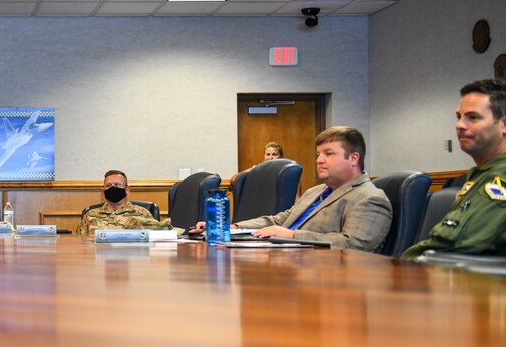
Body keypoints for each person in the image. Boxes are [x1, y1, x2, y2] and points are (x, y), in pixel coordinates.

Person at [194, 126, 392, 252]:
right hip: (283, 259)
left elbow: (354, 246)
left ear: (354, 158)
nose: (319, 160)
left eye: (328, 154)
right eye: (318, 154)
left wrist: (291, 235)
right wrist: (233, 227)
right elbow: (279, 220)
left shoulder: (369, 198)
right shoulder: (315, 191)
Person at [403, 79, 506, 259]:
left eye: (472, 117)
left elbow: (457, 248)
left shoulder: (500, 179)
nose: (459, 125)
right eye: (459, 116)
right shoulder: (480, 176)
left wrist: (402, 266)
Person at [78, 170, 172, 236]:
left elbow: (160, 237)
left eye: (118, 184)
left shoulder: (143, 213)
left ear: (127, 190)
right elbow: (80, 244)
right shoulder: (90, 215)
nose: (113, 188)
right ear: (103, 191)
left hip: (135, 260)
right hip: (100, 260)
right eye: (108, 185)